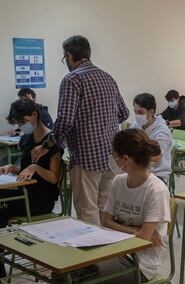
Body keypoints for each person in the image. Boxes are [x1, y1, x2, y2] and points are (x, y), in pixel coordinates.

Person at [47, 128, 171, 284]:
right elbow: (106, 221)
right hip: (112, 250)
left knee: (68, 278)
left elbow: (144, 240)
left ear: (125, 160)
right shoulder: (119, 182)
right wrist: (136, 230)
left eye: (113, 155)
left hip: (140, 263)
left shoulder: (156, 190)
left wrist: (129, 229)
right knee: (61, 271)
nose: (111, 160)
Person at [31, 35, 130, 225]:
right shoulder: (107, 77)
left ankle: (93, 253)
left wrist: (45, 146)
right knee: (105, 211)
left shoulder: (72, 79)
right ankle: (108, 254)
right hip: (111, 155)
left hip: (86, 155)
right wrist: (103, 125)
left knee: (87, 212)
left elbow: (66, 121)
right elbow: (124, 113)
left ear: (69, 56)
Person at [0, 98, 62, 280]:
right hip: (24, 192)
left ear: (34, 115)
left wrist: (36, 168)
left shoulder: (51, 141)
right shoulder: (27, 138)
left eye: (22, 122)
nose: (21, 126)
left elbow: (53, 177)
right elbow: (25, 167)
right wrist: (13, 167)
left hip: (40, 199)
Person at [130, 93, 173, 184]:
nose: (137, 115)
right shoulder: (136, 125)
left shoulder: (162, 131)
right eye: (135, 112)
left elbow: (155, 157)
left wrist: (132, 163)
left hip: (156, 176)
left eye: (141, 112)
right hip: (138, 171)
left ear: (151, 112)